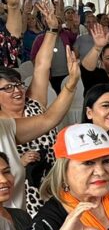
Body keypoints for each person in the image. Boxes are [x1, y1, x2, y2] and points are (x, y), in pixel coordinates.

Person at [0, 48, 82, 212]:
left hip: (44, 192)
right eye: (8, 88)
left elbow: (49, 119)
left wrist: (71, 84)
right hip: (28, 202)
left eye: (18, 85)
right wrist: (20, 161)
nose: (16, 91)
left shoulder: (6, 127)